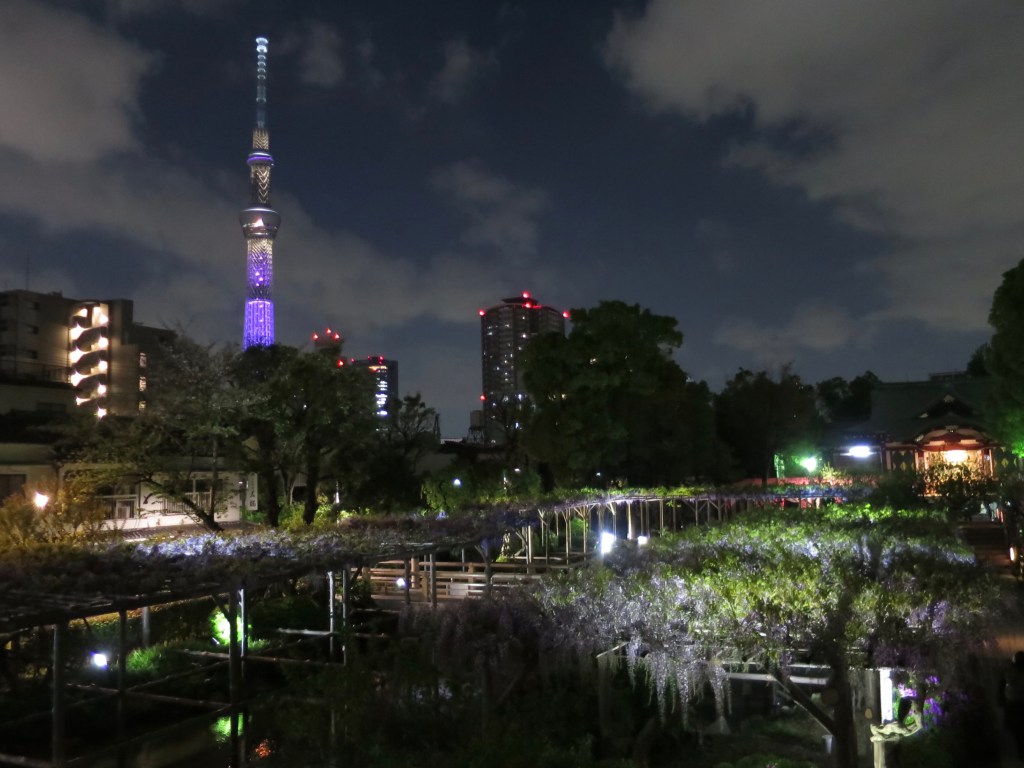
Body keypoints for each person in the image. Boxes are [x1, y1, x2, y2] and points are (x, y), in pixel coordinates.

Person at [1000, 650, 1024, 758]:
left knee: (1016, 728)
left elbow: (1007, 681)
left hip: (1014, 703)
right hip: (1015, 703)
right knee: (1017, 728)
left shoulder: (1011, 671)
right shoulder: (1012, 672)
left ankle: (1020, 749)